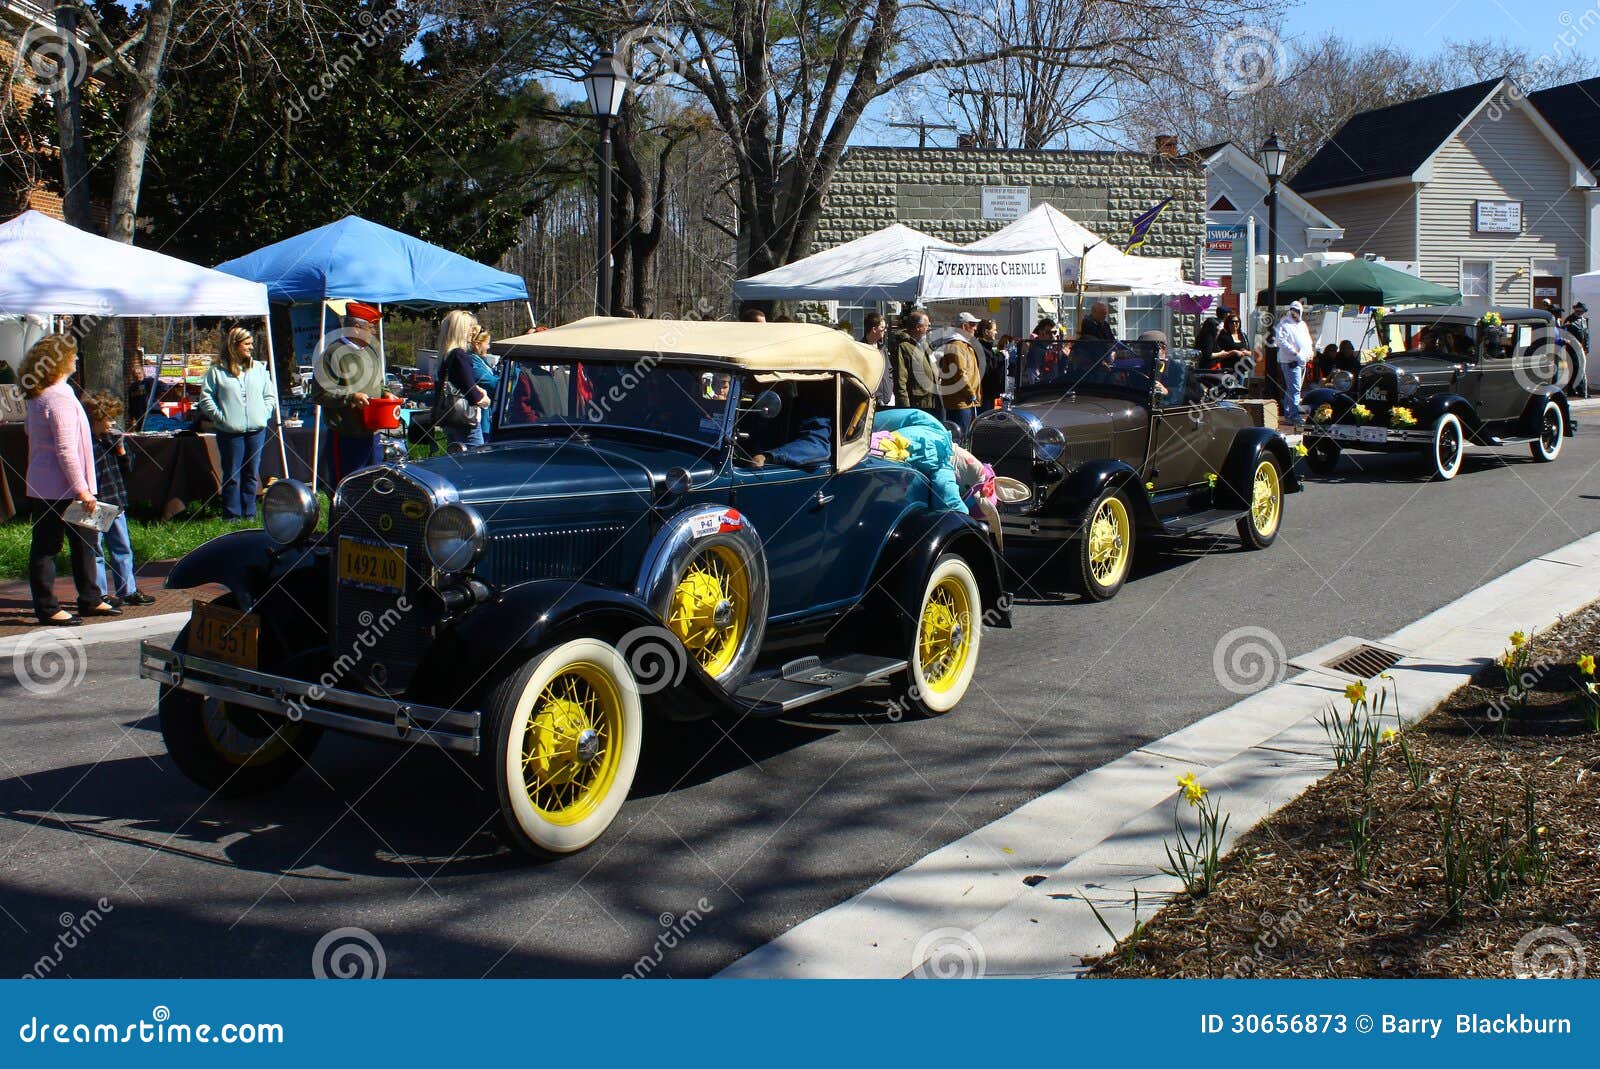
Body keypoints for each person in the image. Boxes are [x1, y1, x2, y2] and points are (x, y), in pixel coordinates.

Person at [19, 334, 115, 626]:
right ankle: (48, 607)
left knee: (85, 541)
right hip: (61, 488)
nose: (76, 359)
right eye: (72, 355)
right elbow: (65, 449)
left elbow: (30, 434)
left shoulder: (40, 395)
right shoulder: (59, 396)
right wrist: (82, 489)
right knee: (49, 546)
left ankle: (91, 597)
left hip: (48, 484)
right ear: (60, 360)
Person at [80, 391, 154, 607]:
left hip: (116, 499)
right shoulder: (86, 442)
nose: (112, 423)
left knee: (122, 547)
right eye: (109, 418)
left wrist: (121, 450)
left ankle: (127, 589)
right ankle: (100, 592)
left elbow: (128, 467)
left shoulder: (112, 439)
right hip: (96, 502)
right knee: (96, 550)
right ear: (96, 418)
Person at [198, 326, 277, 520]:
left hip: (256, 430)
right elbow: (206, 398)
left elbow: (270, 395)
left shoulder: (258, 368)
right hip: (230, 431)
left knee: (251, 473)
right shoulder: (217, 371)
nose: (251, 347)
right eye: (247, 344)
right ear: (235, 345)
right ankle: (231, 514)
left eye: (251, 344)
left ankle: (249, 512)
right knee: (232, 474)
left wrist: (264, 413)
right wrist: (221, 417)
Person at [313, 301, 394, 481]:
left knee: (374, 484)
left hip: (372, 433)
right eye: (371, 328)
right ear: (357, 328)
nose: (374, 332)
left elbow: (379, 383)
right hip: (346, 435)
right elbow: (320, 394)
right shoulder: (331, 354)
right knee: (348, 484)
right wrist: (351, 398)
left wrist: (386, 393)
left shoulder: (371, 352)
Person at [433, 310, 493, 447]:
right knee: (475, 462)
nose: (474, 332)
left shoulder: (445, 355)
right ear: (462, 330)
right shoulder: (460, 355)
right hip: (465, 421)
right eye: (471, 328)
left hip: (450, 418)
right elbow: (473, 394)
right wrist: (484, 397)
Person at [1273, 300, 1315, 426]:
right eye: (1293, 310)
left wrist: (1310, 352)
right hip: (1290, 361)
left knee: (1293, 389)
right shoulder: (1283, 324)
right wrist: (1295, 353)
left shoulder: (1302, 325)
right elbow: (1281, 341)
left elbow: (1307, 341)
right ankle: (1293, 416)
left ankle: (1288, 413)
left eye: (1297, 311)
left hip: (1302, 361)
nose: (1295, 313)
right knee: (1295, 389)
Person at [940, 312, 983, 431]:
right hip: (961, 401)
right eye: (973, 324)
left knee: (963, 436)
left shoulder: (961, 344)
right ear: (964, 327)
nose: (975, 328)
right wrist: (971, 394)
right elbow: (960, 373)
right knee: (961, 438)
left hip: (963, 401)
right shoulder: (957, 345)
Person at [893, 310, 940, 415]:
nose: (929, 329)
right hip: (916, 404)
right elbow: (900, 381)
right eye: (927, 326)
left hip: (932, 401)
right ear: (918, 327)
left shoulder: (925, 345)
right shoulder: (904, 347)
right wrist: (905, 408)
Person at [469, 327, 501, 437]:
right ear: (477, 344)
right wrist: (513, 371)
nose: (488, 347)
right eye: (487, 343)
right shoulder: (473, 363)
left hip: (485, 418)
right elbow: (495, 384)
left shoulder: (480, 362)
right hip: (479, 420)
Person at [862, 312, 893, 407]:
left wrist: (890, 391)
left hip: (887, 400)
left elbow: (889, 371)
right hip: (870, 403)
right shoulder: (860, 349)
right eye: (883, 328)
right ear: (874, 329)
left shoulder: (883, 349)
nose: (885, 330)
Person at [976, 318, 1005, 405]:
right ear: (986, 331)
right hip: (984, 394)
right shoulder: (979, 347)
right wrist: (1001, 356)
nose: (996, 332)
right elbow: (988, 366)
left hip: (990, 393)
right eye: (994, 330)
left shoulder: (988, 347)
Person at [1025, 318, 1061, 383]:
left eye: (1054, 332)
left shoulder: (1051, 348)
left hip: (1053, 387)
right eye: (1048, 332)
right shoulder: (1036, 350)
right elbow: (1032, 375)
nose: (1052, 336)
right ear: (1040, 332)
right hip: (1043, 388)